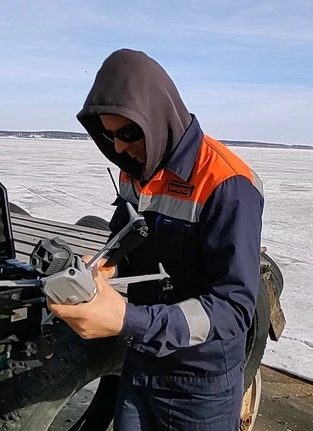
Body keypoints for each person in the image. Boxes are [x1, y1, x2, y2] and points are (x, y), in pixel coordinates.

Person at [47, 48, 265, 430]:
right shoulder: (135, 168)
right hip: (141, 363)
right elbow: (128, 237)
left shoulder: (227, 185)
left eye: (128, 133)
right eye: (109, 135)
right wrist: (106, 263)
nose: (118, 147)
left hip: (200, 384)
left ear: (158, 117)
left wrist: (126, 319)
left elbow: (233, 309)